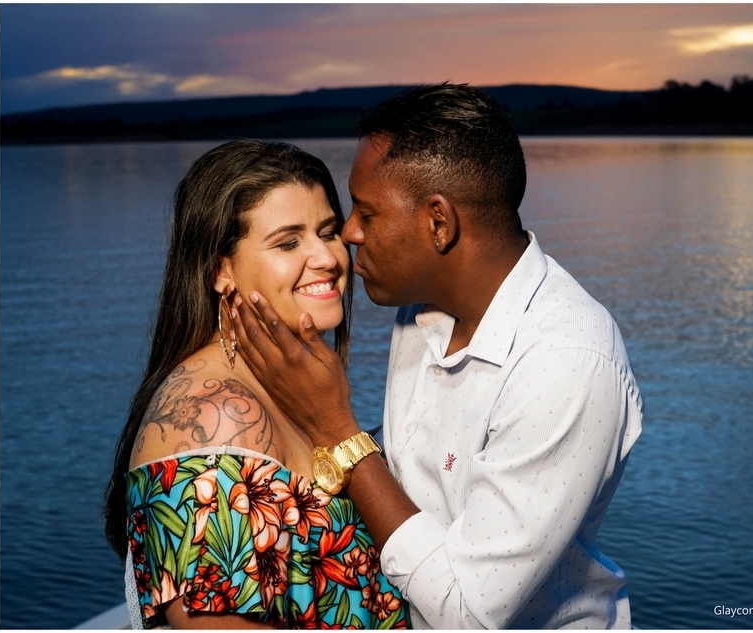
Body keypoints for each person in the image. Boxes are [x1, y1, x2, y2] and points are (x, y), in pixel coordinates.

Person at [231, 83, 644, 629]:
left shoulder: (565, 363)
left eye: (367, 213)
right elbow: (411, 474)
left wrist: (335, 426)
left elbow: (469, 614)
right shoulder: (421, 310)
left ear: (438, 224)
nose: (347, 233)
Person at [103, 140, 409, 629]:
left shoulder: (289, 383)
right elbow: (207, 623)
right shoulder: (211, 411)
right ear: (221, 270)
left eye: (327, 232)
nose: (328, 258)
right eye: (288, 242)